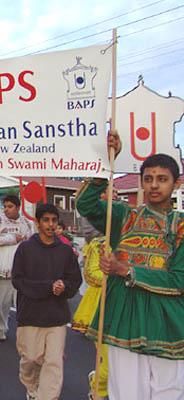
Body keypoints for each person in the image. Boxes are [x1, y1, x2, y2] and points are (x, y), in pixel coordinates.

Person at [76, 132, 184, 400]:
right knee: (125, 393)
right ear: (141, 182)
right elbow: (85, 203)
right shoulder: (124, 216)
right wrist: (107, 161)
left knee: (169, 393)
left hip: (168, 324)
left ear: (176, 183)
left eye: (162, 179)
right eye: (148, 179)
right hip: (123, 317)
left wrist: (127, 271)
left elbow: (179, 280)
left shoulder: (181, 225)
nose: (154, 185)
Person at [12, 203, 82, 400]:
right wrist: (47, 287)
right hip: (30, 315)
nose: (51, 225)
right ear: (38, 223)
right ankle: (32, 388)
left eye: (54, 220)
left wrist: (64, 287)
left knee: (53, 362)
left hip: (57, 316)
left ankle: (47, 396)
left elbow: (75, 280)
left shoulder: (66, 252)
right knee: (31, 359)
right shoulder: (25, 249)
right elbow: (17, 280)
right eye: (46, 220)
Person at [0, 195, 35, 341]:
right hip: (2, 263)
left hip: (23, 264)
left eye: (10, 206)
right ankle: (0, 328)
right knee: (1, 301)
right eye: (5, 206)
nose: (6, 209)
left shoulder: (27, 222)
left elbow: (32, 240)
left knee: (23, 300)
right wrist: (11, 239)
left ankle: (24, 331)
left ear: (18, 207)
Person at [72, 234, 109, 400]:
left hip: (136, 310)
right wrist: (121, 275)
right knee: (109, 367)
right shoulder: (99, 243)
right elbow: (91, 274)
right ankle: (97, 389)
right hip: (103, 307)